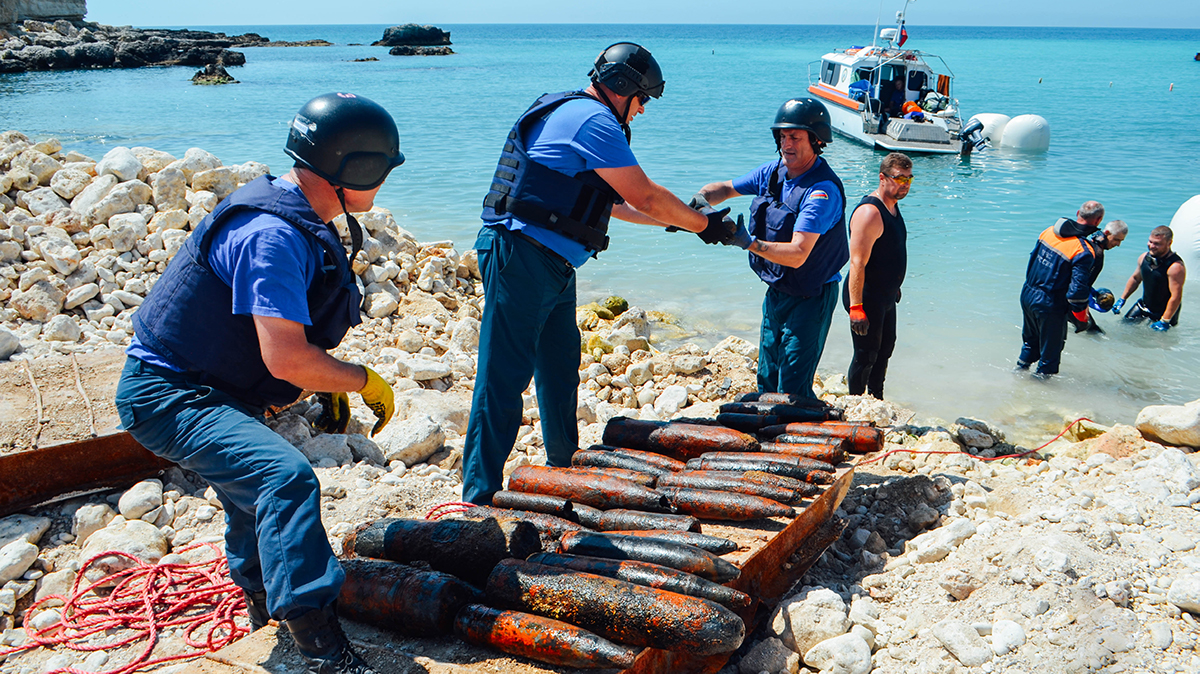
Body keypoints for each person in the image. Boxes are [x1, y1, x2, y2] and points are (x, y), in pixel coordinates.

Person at [115, 93, 404, 674]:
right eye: (384, 168)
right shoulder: (270, 237)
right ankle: (321, 648)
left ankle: (263, 612)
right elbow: (287, 360)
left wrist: (327, 387)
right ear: (357, 168)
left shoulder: (299, 211)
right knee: (284, 479)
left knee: (252, 499)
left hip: (210, 388)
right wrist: (359, 380)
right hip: (168, 394)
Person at [463, 43, 740, 506]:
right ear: (623, 88)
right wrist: (705, 225)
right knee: (503, 378)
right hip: (520, 255)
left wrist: (684, 222)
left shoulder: (586, 116)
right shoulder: (593, 120)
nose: (644, 108)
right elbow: (646, 195)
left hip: (551, 262)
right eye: (644, 98)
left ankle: (562, 467)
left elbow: (617, 204)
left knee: (559, 367)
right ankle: (476, 495)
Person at [693, 97, 848, 399]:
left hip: (811, 295)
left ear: (817, 141)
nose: (786, 144)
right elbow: (725, 188)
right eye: (782, 136)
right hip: (777, 290)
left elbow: (798, 253)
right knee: (767, 375)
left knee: (792, 384)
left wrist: (748, 242)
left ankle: (799, 434)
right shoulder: (773, 173)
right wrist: (699, 202)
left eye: (795, 137)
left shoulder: (821, 191)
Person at [843, 152, 911, 399]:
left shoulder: (893, 206)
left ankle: (876, 399)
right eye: (899, 178)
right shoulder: (870, 212)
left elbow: (888, 251)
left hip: (886, 295)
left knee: (885, 349)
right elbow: (857, 263)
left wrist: (895, 284)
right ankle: (855, 406)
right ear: (882, 178)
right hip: (865, 296)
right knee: (866, 354)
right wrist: (856, 307)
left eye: (908, 179)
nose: (904, 184)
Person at [1016, 200, 1104, 377]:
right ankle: (1037, 393)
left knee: (1030, 343)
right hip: (1050, 304)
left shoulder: (1048, 232)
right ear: (1098, 221)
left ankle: (1017, 374)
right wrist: (1082, 320)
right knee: (1050, 356)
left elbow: (1033, 261)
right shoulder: (1083, 251)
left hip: (1027, 294)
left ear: (1078, 213)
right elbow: (1076, 295)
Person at [1114, 225, 1186, 330]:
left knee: (1157, 343)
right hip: (1143, 306)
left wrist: (1165, 320)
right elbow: (1135, 279)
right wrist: (1122, 298)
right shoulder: (1144, 258)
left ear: (1169, 243)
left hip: (1164, 312)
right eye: (1150, 241)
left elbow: (1176, 297)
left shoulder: (1175, 267)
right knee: (1122, 327)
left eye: (1157, 244)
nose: (1151, 246)